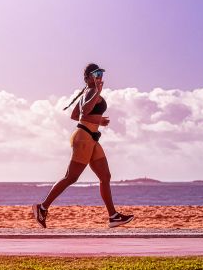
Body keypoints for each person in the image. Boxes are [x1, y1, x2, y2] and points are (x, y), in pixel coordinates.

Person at [33, 63, 134, 228]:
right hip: (83, 138)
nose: (99, 76)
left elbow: (75, 115)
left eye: (101, 73)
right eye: (96, 74)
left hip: (90, 138)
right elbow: (84, 112)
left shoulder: (88, 93)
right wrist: (98, 93)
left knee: (105, 177)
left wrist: (98, 120)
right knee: (71, 177)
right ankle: (42, 208)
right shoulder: (92, 91)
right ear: (87, 78)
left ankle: (113, 216)